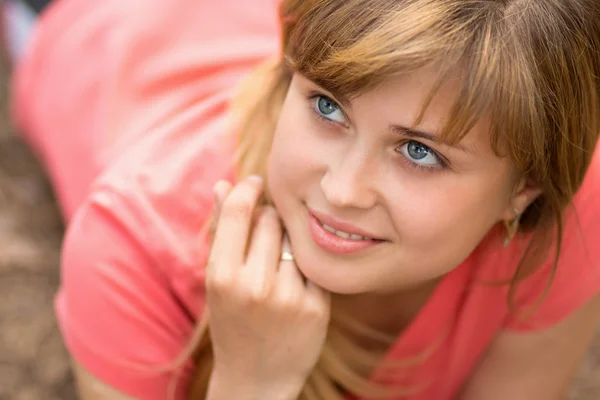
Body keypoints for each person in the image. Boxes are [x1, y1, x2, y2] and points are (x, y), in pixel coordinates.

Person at [7, 0, 600, 399]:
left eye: (420, 153)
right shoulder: (130, 249)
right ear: (290, 75)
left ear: (523, 191)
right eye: (326, 106)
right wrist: (252, 383)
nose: (341, 190)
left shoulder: (574, 209)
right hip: (100, 31)